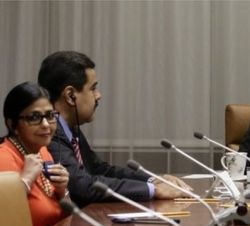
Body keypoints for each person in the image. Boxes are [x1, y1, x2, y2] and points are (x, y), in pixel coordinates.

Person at [37, 51, 190, 207]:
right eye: (93, 89)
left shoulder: (69, 128)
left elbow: (99, 170)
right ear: (70, 96)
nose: (98, 96)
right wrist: (153, 190)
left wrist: (153, 181)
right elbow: (81, 186)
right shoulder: (49, 133)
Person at [0, 82, 69, 226]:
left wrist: (63, 191)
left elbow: (65, 216)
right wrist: (25, 180)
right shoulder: (3, 157)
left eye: (50, 116)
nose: (46, 125)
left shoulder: (43, 151)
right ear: (13, 125)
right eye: (34, 117)